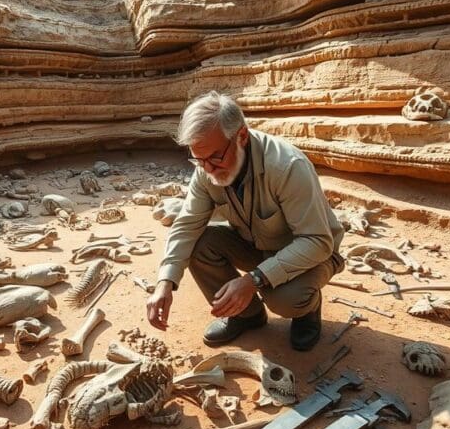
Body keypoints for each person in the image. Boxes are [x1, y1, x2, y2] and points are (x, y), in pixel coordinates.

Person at [146, 91, 345, 351]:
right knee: (199, 243)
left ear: (241, 136)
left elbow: (317, 242)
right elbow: (187, 225)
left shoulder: (286, 166)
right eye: (198, 159)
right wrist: (165, 281)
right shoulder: (207, 167)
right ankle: (247, 315)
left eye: (215, 158)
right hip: (258, 246)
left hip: (313, 254)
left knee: (285, 298)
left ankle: (307, 310)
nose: (207, 169)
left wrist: (253, 280)